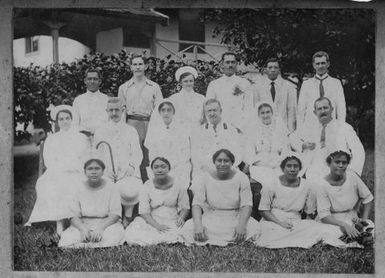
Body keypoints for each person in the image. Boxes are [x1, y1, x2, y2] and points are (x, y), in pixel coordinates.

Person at [26, 105, 89, 236]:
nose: (65, 122)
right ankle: (59, 224)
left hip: (76, 171)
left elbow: (85, 158)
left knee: (73, 184)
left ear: (71, 120)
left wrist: (74, 167)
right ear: (57, 122)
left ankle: (75, 220)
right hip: (57, 171)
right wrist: (61, 169)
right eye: (61, 119)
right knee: (51, 184)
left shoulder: (80, 138)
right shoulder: (52, 139)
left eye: (67, 118)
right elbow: (49, 160)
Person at [181, 149, 261, 246]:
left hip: (235, 216)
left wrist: (241, 225)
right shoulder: (205, 177)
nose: (222, 164)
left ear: (232, 162)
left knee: (254, 228)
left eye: (226, 161)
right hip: (212, 216)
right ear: (214, 162)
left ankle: (231, 236)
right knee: (188, 227)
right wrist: (198, 226)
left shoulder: (241, 177)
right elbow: (197, 204)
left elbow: (247, 204)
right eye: (219, 161)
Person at [255, 154, 326, 248]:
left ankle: (294, 237)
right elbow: (264, 210)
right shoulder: (271, 184)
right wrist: (280, 223)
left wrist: (307, 225)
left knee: (313, 227)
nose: (292, 169)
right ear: (282, 168)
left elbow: (309, 211)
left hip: (295, 220)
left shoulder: (307, 186)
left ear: (300, 169)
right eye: (289, 166)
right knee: (269, 232)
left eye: (296, 166)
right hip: (273, 220)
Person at [93, 97, 143, 227]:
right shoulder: (100, 131)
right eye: (111, 110)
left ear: (122, 110)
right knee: (104, 187)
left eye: (117, 110)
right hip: (107, 172)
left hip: (128, 171)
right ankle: (111, 217)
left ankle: (128, 215)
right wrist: (105, 171)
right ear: (106, 111)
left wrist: (129, 168)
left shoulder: (130, 130)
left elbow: (137, 153)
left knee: (129, 189)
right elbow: (97, 155)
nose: (114, 113)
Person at [289, 97, 365, 181]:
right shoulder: (310, 127)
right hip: (314, 170)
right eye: (319, 109)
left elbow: (358, 150)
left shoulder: (344, 127)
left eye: (325, 108)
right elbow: (292, 137)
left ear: (332, 109)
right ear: (315, 112)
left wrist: (352, 172)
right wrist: (302, 145)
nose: (323, 111)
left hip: (337, 169)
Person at [58, 159, 125, 248]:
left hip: (106, 223)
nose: (94, 172)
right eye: (90, 169)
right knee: (66, 239)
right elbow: (73, 216)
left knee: (114, 236)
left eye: (97, 169)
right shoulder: (77, 188)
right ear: (85, 172)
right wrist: (83, 229)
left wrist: (101, 228)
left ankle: (84, 246)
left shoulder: (111, 187)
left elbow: (115, 214)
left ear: (103, 172)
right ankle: (97, 245)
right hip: (84, 223)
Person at [124, 157, 190, 246]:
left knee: (182, 232)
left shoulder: (178, 184)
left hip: (172, 218)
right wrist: (156, 225)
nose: (160, 170)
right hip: (153, 219)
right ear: (152, 170)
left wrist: (181, 218)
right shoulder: (147, 185)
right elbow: (144, 212)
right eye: (156, 167)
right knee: (134, 231)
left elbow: (185, 206)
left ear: (169, 169)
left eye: (163, 167)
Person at [118, 54, 163, 181]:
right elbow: (122, 111)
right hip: (131, 123)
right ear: (130, 67)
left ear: (146, 66)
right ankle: (133, 185)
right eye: (135, 64)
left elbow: (159, 109)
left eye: (140, 64)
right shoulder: (124, 87)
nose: (138, 67)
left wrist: (157, 128)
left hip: (149, 123)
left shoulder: (154, 87)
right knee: (132, 154)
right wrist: (122, 129)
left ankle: (149, 184)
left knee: (149, 155)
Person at [316, 151, 373, 248]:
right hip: (332, 220)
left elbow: (368, 198)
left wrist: (364, 220)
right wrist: (344, 226)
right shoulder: (322, 184)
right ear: (329, 163)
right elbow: (324, 216)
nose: (341, 165)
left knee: (370, 230)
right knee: (332, 235)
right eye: (337, 162)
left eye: (344, 162)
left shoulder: (352, 176)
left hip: (351, 216)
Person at [144, 100, 192, 189]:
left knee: (179, 184)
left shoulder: (181, 129)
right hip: (160, 166)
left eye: (169, 110)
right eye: (163, 110)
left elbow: (185, 152)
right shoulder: (154, 130)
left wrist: (174, 165)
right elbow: (152, 154)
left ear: (173, 112)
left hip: (178, 166)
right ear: (159, 112)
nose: (166, 113)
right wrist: (162, 166)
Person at [191, 99, 242, 180]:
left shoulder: (231, 130)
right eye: (209, 111)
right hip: (205, 170)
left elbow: (237, 153)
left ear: (220, 111)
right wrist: (209, 168)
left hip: (227, 168)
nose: (212, 113)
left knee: (239, 181)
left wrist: (226, 167)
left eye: (215, 110)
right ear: (205, 112)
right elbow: (196, 156)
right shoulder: (199, 131)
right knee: (198, 185)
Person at [244, 101, 290, 185]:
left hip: (278, 164)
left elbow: (286, 151)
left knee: (282, 182)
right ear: (258, 115)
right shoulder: (253, 132)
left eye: (268, 112)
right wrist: (265, 164)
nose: (265, 115)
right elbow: (249, 155)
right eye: (262, 113)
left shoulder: (280, 130)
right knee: (269, 182)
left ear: (272, 113)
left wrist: (278, 162)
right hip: (260, 166)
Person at [297, 51, 346, 130]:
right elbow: (301, 109)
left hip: (331, 125)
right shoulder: (306, 84)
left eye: (323, 63)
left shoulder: (336, 83)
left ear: (328, 64)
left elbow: (341, 108)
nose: (320, 66)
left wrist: (341, 128)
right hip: (311, 126)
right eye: (318, 64)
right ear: (313, 65)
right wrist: (300, 129)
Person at [206, 52, 253, 133]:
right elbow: (209, 108)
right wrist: (215, 127)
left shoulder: (245, 83)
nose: (230, 65)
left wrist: (241, 127)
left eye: (233, 62)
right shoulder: (214, 85)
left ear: (236, 64)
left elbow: (249, 108)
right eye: (227, 62)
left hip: (240, 128)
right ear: (222, 64)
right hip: (220, 128)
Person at [251, 58, 297, 133]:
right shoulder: (257, 87)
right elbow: (256, 110)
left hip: (283, 128)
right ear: (265, 69)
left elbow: (291, 111)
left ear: (279, 69)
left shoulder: (288, 86)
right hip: (264, 129)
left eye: (275, 67)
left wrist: (290, 132)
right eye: (270, 67)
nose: (273, 70)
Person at [72, 68, 109, 144]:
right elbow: (74, 124)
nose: (92, 82)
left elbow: (110, 123)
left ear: (100, 81)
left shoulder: (107, 100)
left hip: (103, 140)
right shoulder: (78, 100)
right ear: (85, 81)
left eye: (95, 79)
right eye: (89, 79)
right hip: (83, 140)